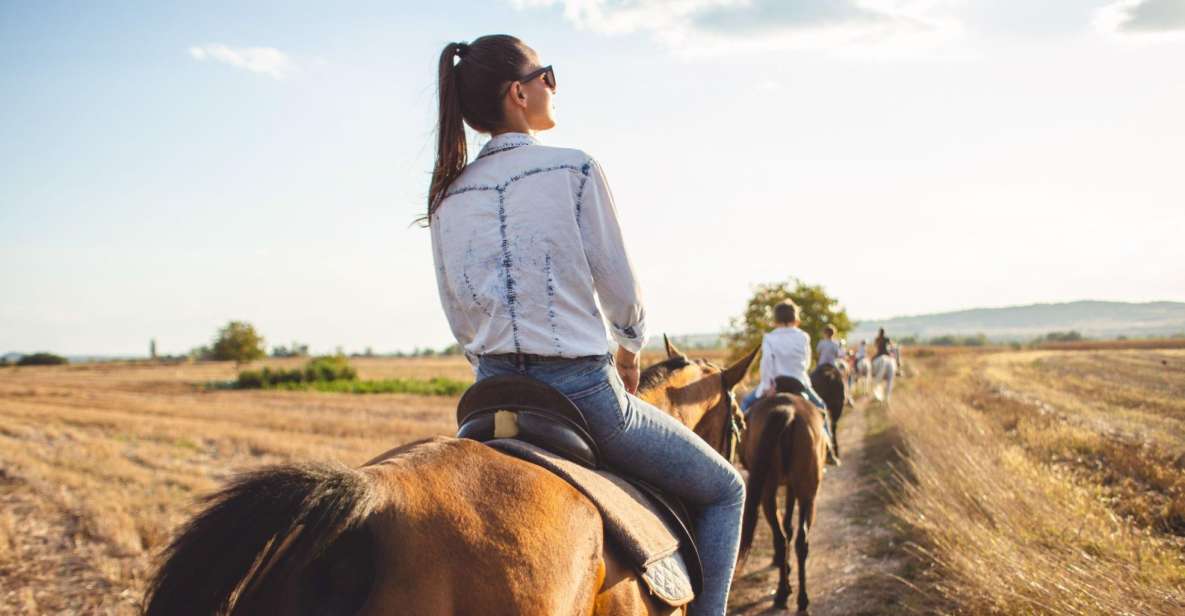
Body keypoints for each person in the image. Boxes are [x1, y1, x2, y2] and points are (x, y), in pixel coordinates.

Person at [425, 35, 744, 615]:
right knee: (727, 491)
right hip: (582, 395)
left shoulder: (446, 197)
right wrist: (628, 352)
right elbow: (620, 290)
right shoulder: (573, 168)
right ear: (519, 93)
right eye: (548, 75)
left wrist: (496, 362)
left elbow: (459, 313)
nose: (553, 85)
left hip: (485, 399)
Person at [739, 300, 838, 463]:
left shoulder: (769, 338)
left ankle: (739, 448)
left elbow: (767, 364)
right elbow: (806, 362)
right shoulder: (803, 337)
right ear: (796, 319)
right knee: (821, 408)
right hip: (798, 382)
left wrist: (768, 386)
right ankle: (828, 450)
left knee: (744, 406)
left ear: (775, 320)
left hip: (774, 384)